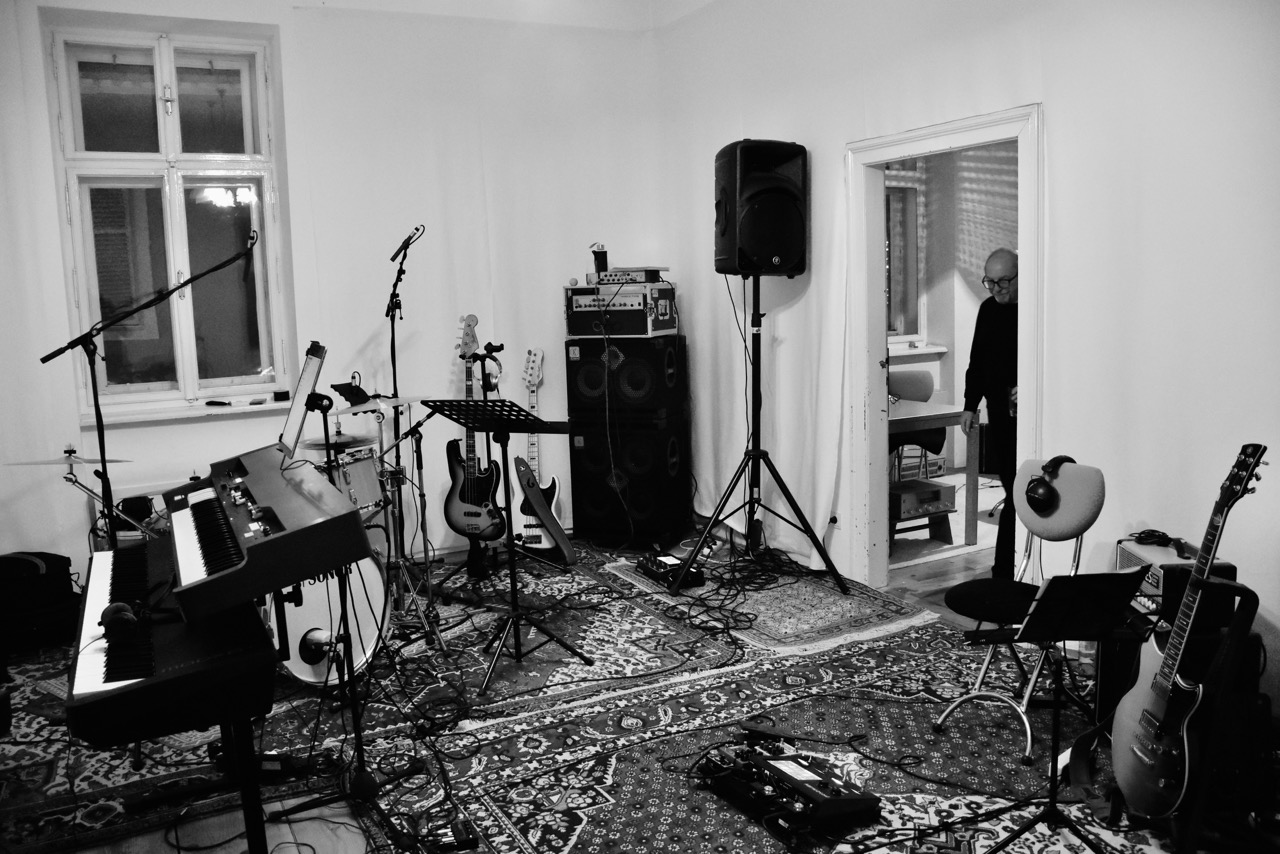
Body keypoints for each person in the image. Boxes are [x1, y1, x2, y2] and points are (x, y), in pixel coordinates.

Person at [960, 248, 1018, 579]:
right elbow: (978, 361)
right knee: (1010, 486)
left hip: (1027, 415)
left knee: (1018, 491)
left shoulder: (1033, 310)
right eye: (990, 282)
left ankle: (1005, 570)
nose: (996, 289)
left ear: (1020, 276)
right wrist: (970, 405)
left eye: (1003, 281)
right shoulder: (987, 309)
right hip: (998, 411)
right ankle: (1005, 570)